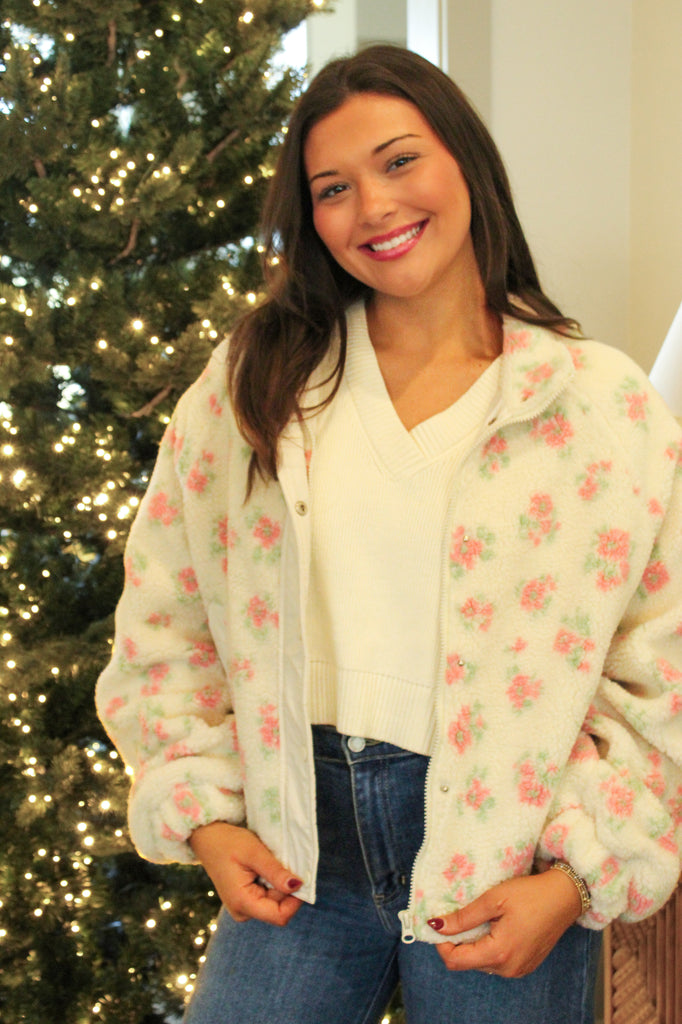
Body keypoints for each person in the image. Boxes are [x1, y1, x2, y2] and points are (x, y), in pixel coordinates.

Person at [96, 44, 682, 1024]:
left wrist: (578, 878)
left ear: (466, 162)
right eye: (332, 188)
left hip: (507, 857)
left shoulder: (600, 407)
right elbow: (168, 609)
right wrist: (201, 815)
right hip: (297, 849)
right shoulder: (257, 383)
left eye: (399, 161)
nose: (372, 206)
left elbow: (662, 665)